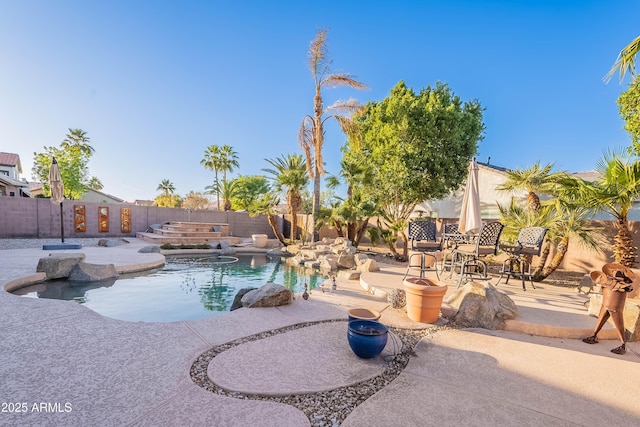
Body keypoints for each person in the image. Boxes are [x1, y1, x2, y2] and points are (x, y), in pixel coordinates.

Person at [582, 263, 635, 355]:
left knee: (618, 325)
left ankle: (623, 344)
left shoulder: (623, 285)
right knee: (601, 319)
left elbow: (627, 288)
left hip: (615, 307)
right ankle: (594, 335)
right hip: (606, 304)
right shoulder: (608, 282)